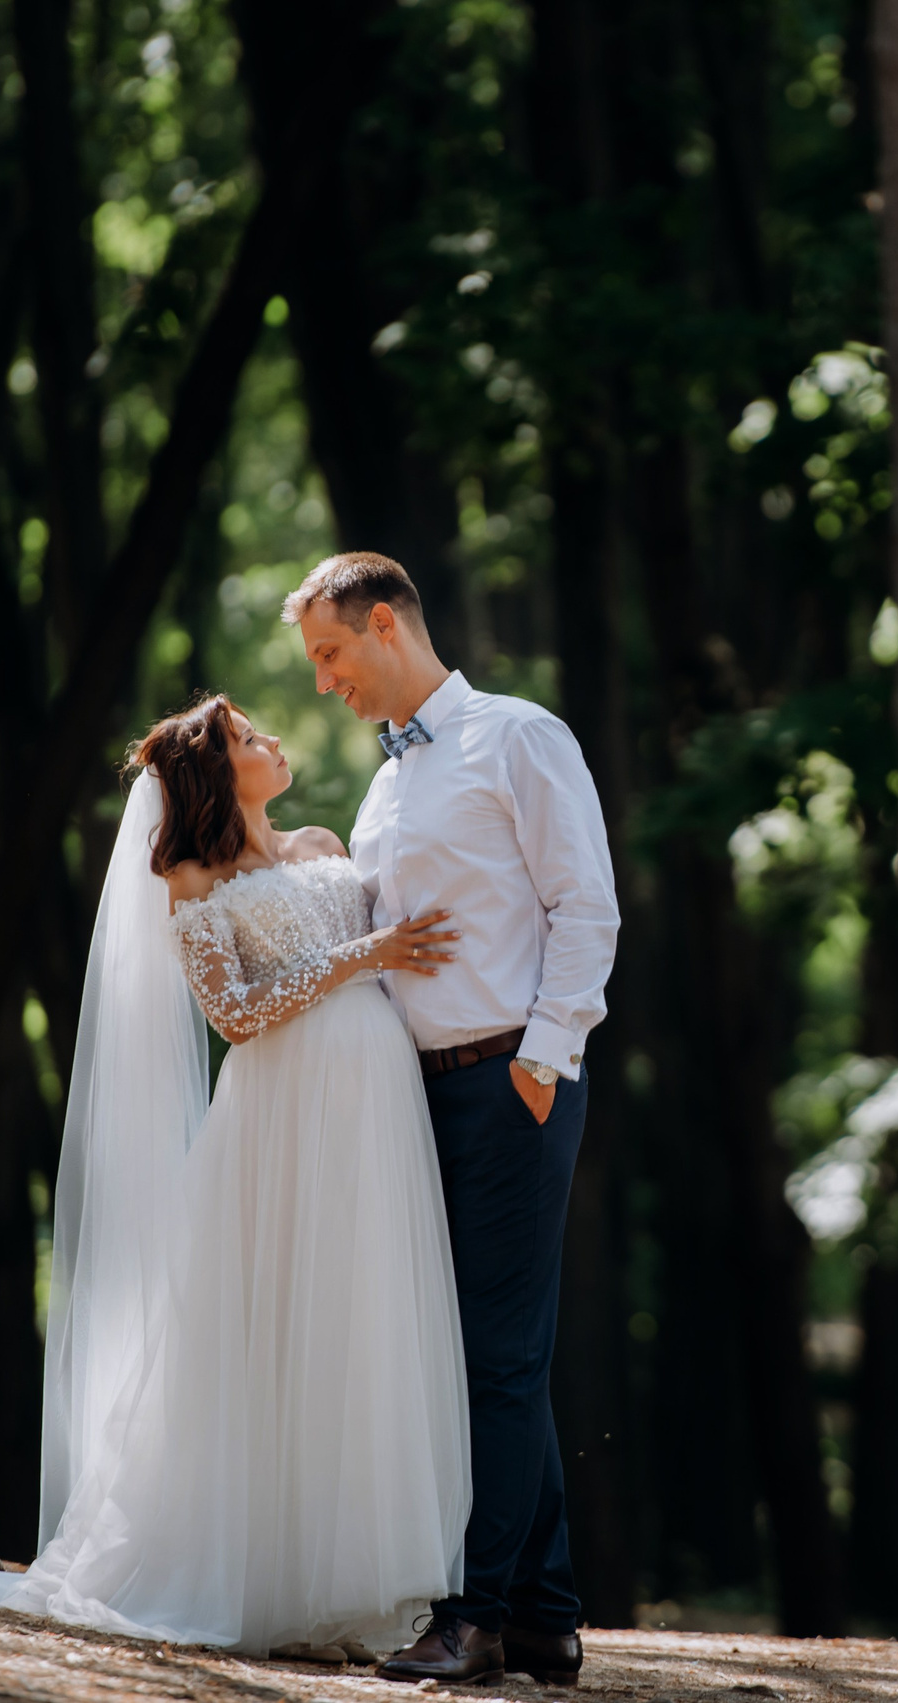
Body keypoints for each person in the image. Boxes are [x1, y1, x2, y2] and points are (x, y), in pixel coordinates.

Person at [0, 695, 472, 1660]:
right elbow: (232, 1013)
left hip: (375, 1103)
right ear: (216, 773)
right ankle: (253, 1566)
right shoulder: (192, 877)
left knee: (358, 1316)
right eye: (250, 738)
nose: (274, 741)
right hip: (280, 1111)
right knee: (271, 1314)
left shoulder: (322, 841)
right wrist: (369, 953)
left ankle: (358, 1580)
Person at [289, 551, 619, 1687]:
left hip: (507, 1083)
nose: (324, 681)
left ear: (385, 624)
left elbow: (585, 901)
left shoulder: (517, 736)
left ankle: (470, 1616)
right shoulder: (385, 783)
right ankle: (545, 1615)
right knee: (487, 1356)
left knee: (498, 1355)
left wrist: (544, 1056)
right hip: (416, 1095)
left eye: (330, 654)